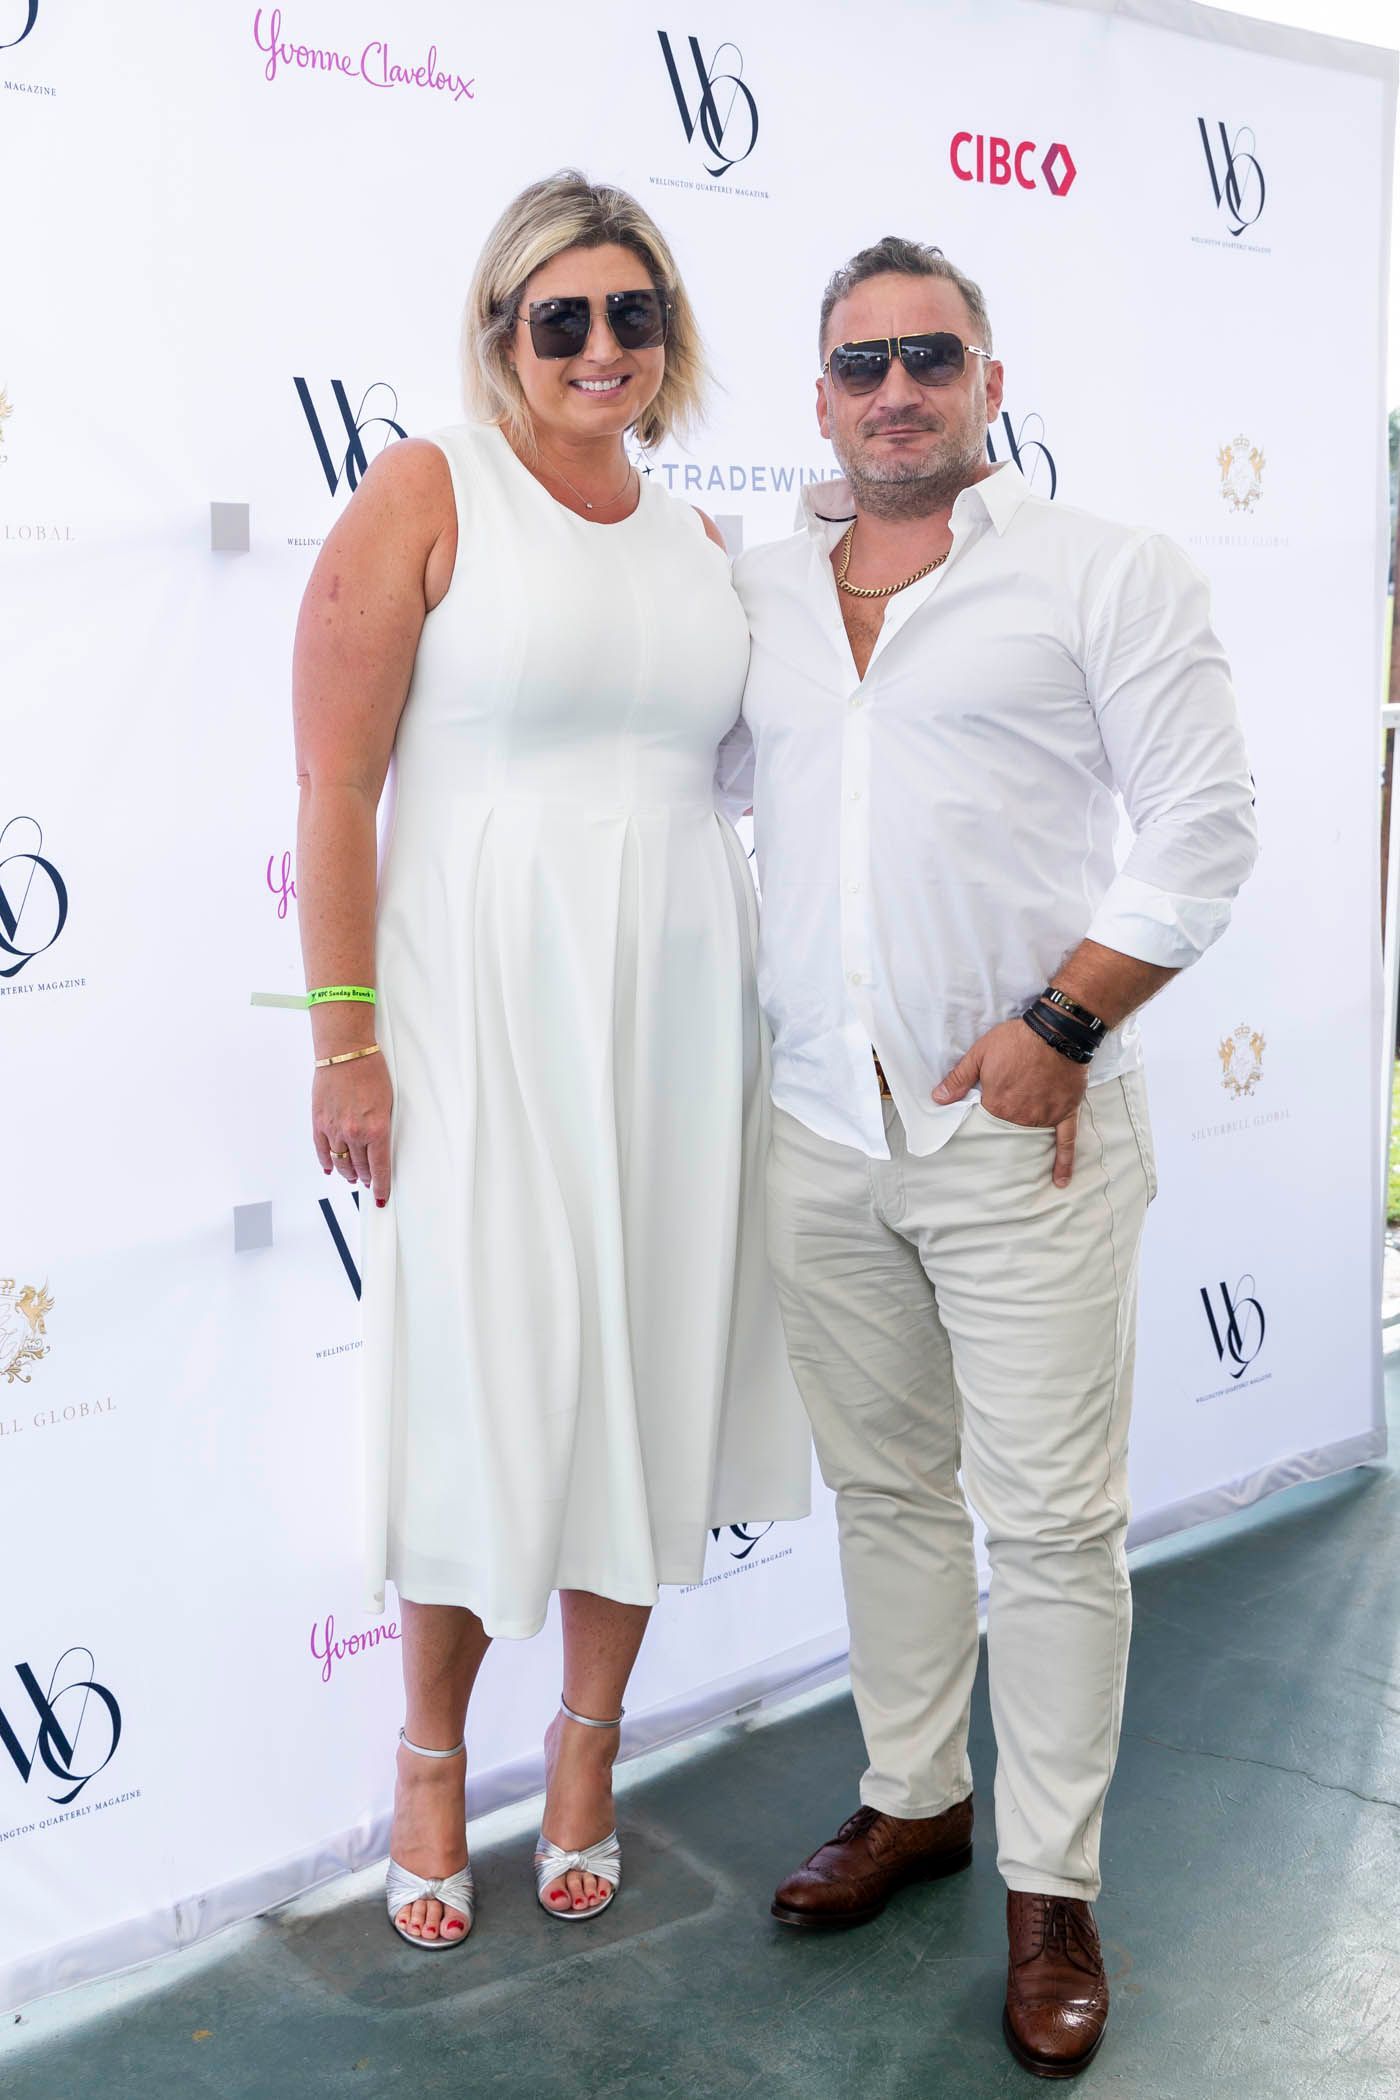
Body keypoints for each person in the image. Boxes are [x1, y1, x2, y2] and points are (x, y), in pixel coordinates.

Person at [731, 237, 1257, 2077]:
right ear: (819, 399)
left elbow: (1205, 824)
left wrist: (1064, 1025)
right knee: (885, 1492)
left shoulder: (1102, 572)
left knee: (1047, 1528)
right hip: (816, 1126)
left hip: (1020, 1134)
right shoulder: (762, 592)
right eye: (862, 363)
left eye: (930, 358)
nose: (897, 390)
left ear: (989, 382)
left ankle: (1053, 1891)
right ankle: (913, 1797)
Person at [291, 171, 810, 1954]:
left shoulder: (702, 539)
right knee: (488, 1380)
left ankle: (587, 1753)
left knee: (644, 1376)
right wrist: (346, 1047)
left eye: (633, 315)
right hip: (481, 1013)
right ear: (502, 332)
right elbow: (332, 794)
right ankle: (430, 1763)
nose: (601, 347)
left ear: (670, 340)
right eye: (561, 317)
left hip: (678, 1012)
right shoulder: (429, 489)